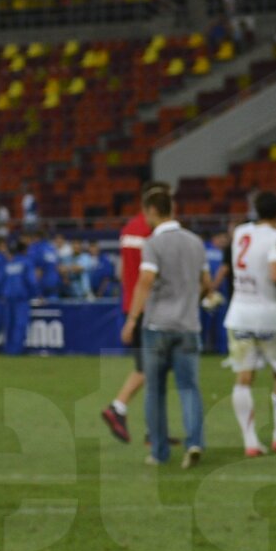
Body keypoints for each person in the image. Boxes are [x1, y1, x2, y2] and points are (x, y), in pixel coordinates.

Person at [122, 186, 211, 468]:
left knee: (155, 391)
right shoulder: (196, 242)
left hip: (158, 326)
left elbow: (146, 280)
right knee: (189, 388)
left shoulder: (153, 243)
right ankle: (194, 441)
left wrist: (132, 318)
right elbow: (206, 284)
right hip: (187, 326)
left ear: (151, 211)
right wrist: (190, 301)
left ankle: (159, 452)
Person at [222, 192, 276, 456]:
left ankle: (250, 441)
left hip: (239, 313)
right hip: (271, 314)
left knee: (243, 377)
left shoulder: (240, 232)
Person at [102, 181, 171, 443]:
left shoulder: (129, 228)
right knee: (150, 367)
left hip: (131, 302)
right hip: (148, 306)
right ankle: (118, 407)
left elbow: (123, 273)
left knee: (153, 367)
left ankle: (153, 430)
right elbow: (152, 275)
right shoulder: (153, 233)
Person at [1, 237, 36, 356]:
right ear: (25, 250)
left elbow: (2, 280)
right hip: (21, 298)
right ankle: (16, 350)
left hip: (8, 297)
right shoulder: (26, 262)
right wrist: (36, 294)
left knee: (9, 323)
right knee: (20, 324)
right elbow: (31, 281)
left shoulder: (9, 263)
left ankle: (8, 349)